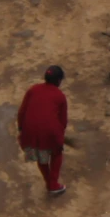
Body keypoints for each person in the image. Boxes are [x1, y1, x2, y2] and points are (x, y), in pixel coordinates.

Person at [16, 66, 71, 197]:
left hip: (29, 131)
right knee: (57, 153)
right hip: (49, 131)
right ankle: (53, 184)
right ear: (59, 80)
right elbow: (63, 121)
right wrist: (59, 137)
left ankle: (49, 183)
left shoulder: (33, 89)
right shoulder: (60, 96)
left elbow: (22, 112)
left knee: (41, 156)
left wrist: (21, 130)